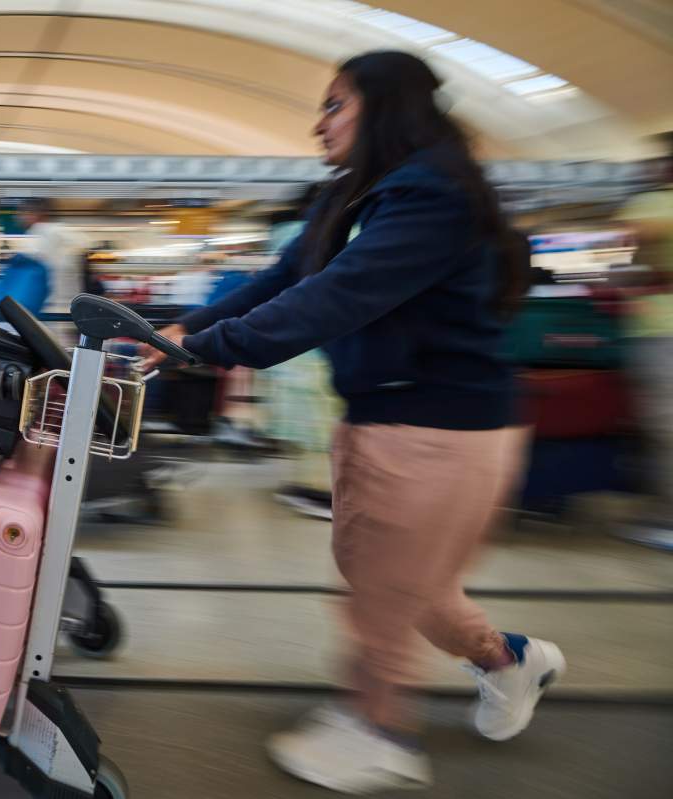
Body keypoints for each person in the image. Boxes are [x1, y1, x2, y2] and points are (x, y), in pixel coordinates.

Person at [141, 51, 561, 794]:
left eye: (335, 104)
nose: (318, 122)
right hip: (384, 415)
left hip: (442, 425)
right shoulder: (354, 193)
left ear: (387, 106)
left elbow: (338, 297)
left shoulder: (433, 195)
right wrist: (174, 332)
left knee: (381, 595)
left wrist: (203, 349)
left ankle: (381, 731)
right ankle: (509, 658)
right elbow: (279, 279)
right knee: (390, 578)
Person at [613, 132, 673, 549]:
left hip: (661, 328)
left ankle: (667, 522)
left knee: (665, 427)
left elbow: (627, 256)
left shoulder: (653, 204)